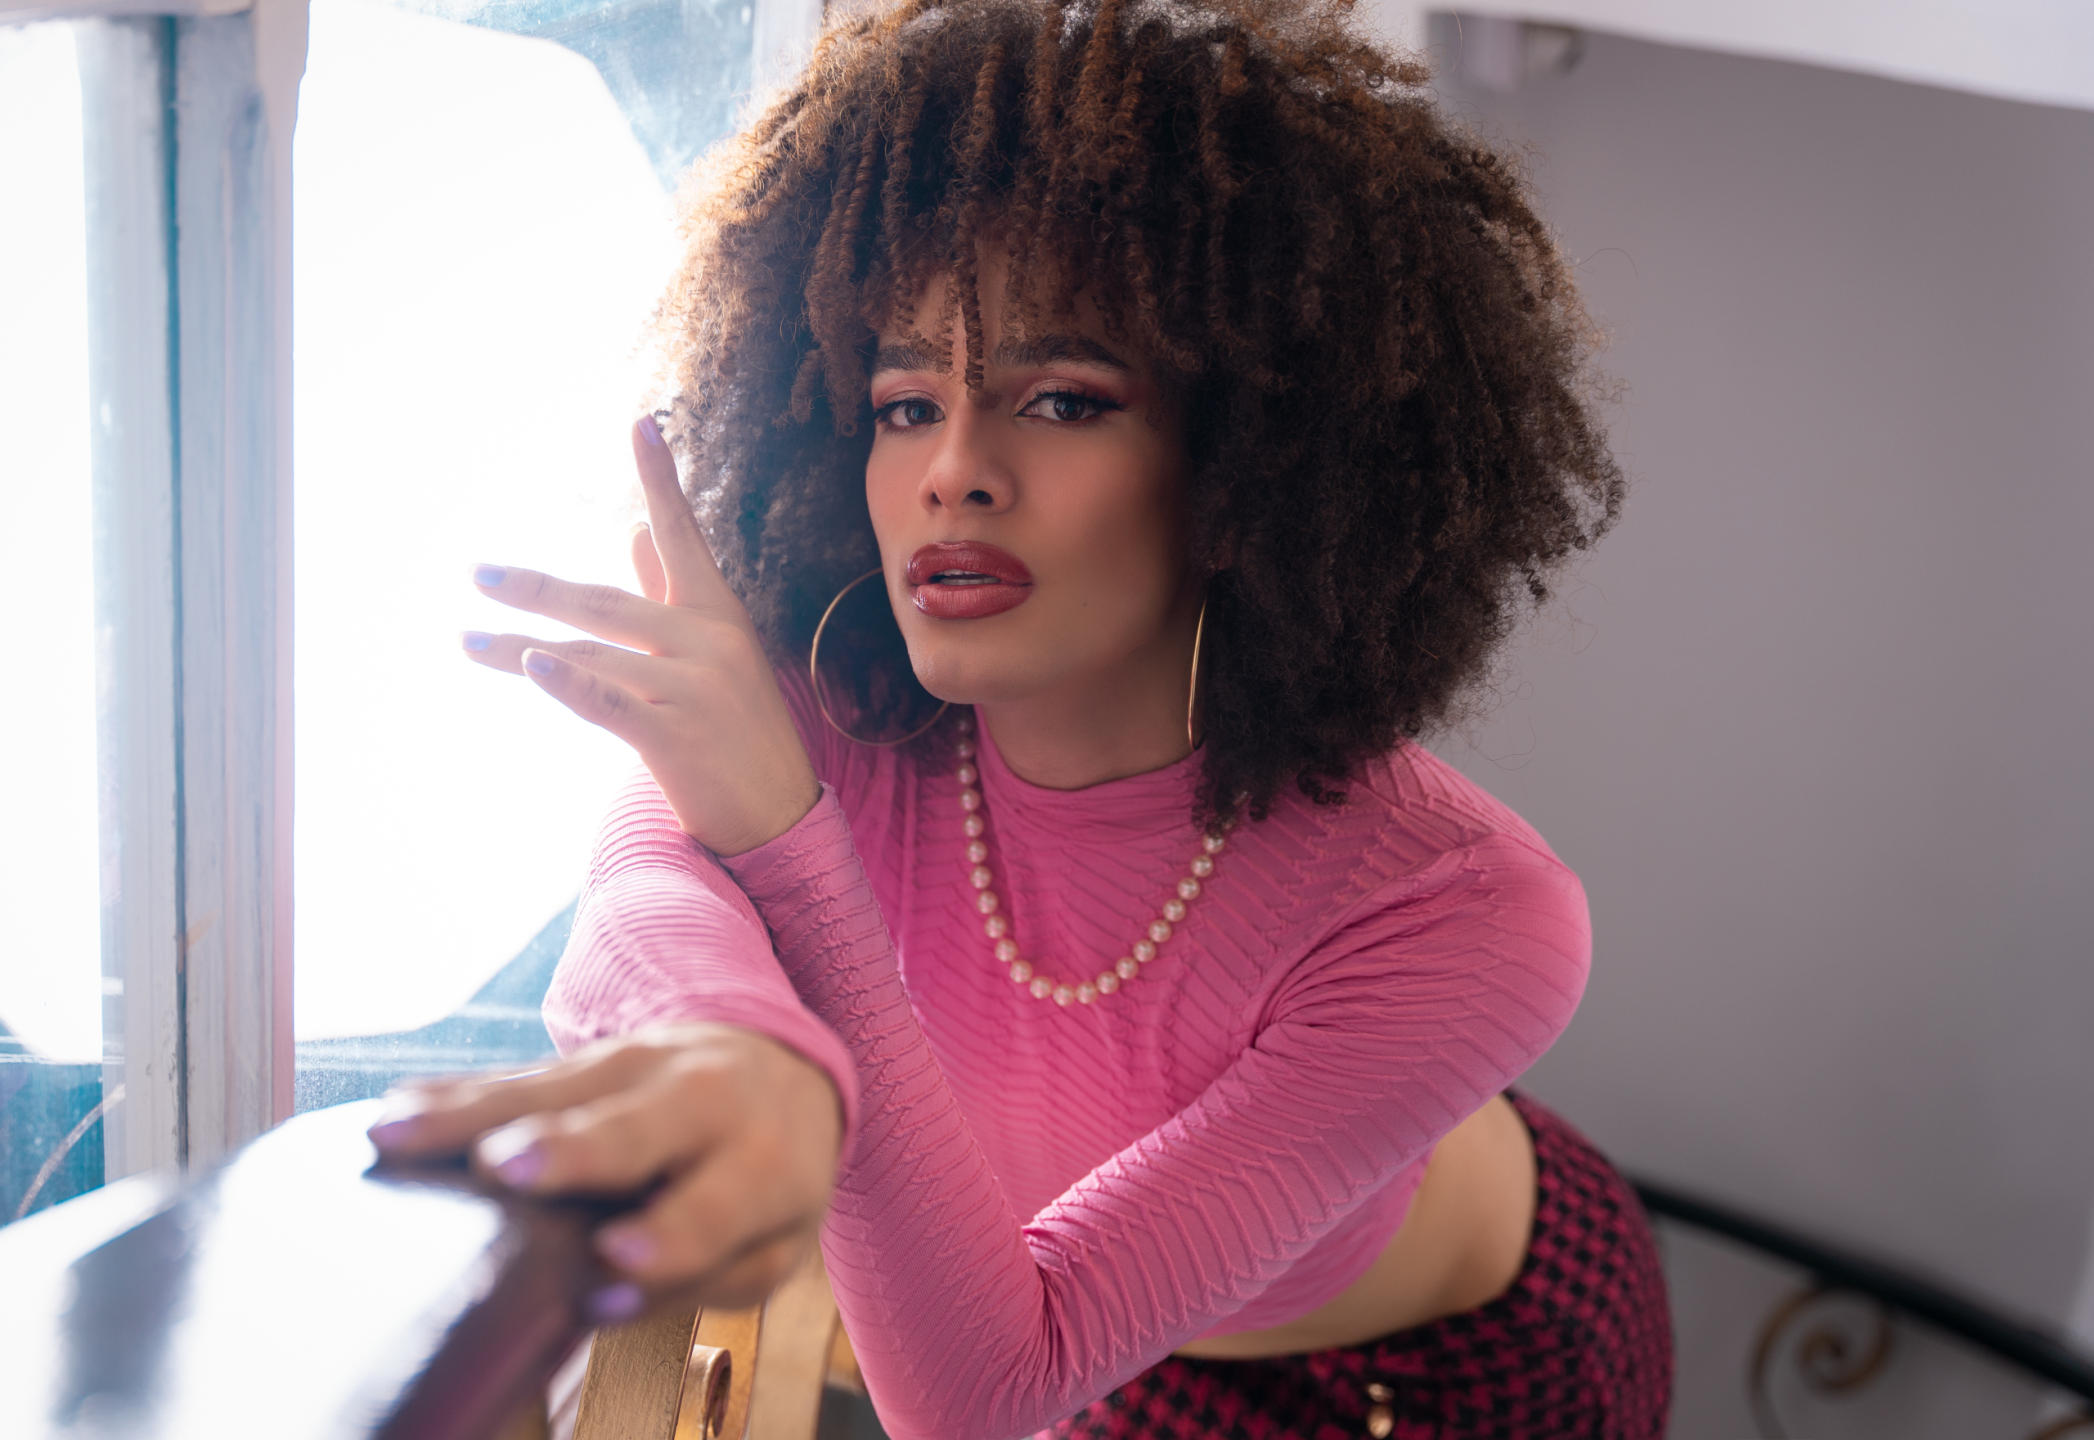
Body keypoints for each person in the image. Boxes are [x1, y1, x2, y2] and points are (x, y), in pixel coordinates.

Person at [366, 0, 1673, 1433]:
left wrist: (787, 854)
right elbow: (644, 917)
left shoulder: (1464, 907)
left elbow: (977, 1396)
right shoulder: (809, 706)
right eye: (903, 402)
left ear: (1248, 468)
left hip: (1466, 1376)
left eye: (1059, 400)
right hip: (1094, 1349)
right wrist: (746, 1058)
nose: (955, 470)